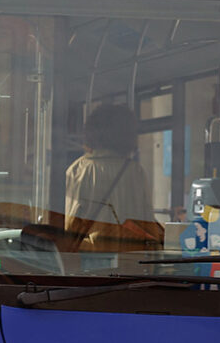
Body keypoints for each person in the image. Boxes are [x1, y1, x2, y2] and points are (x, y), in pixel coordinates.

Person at [64, 104, 160, 251]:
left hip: (92, 262)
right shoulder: (136, 171)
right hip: (131, 261)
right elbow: (147, 221)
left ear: (92, 132)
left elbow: (72, 225)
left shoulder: (80, 170)